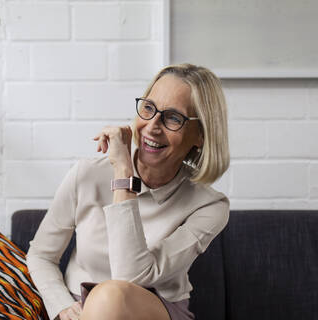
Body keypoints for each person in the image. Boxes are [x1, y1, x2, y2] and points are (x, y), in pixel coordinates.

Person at [26, 63, 230, 320]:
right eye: (148, 108)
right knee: (104, 299)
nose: (152, 126)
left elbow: (130, 278)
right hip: (80, 312)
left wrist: (124, 174)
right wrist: (61, 306)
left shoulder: (209, 207)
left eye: (173, 118)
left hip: (153, 310)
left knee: (110, 296)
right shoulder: (86, 174)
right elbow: (41, 255)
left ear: (200, 134)